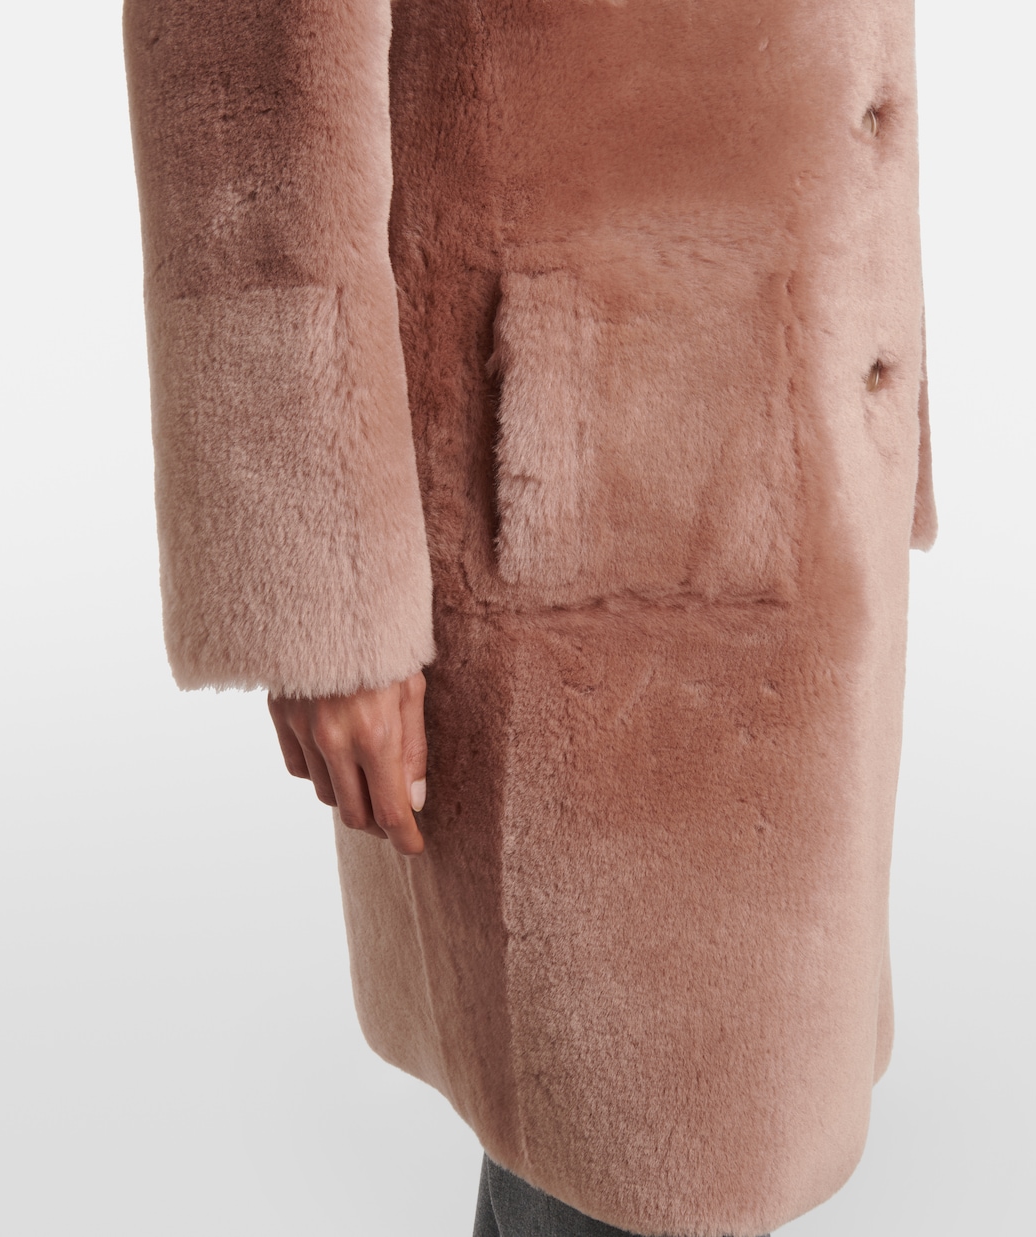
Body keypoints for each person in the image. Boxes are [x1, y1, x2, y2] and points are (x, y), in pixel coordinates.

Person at [122, 2, 936, 1234]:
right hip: (582, 500)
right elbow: (244, 70)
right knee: (649, 1160)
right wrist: (319, 586)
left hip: (778, 462)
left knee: (625, 1157)